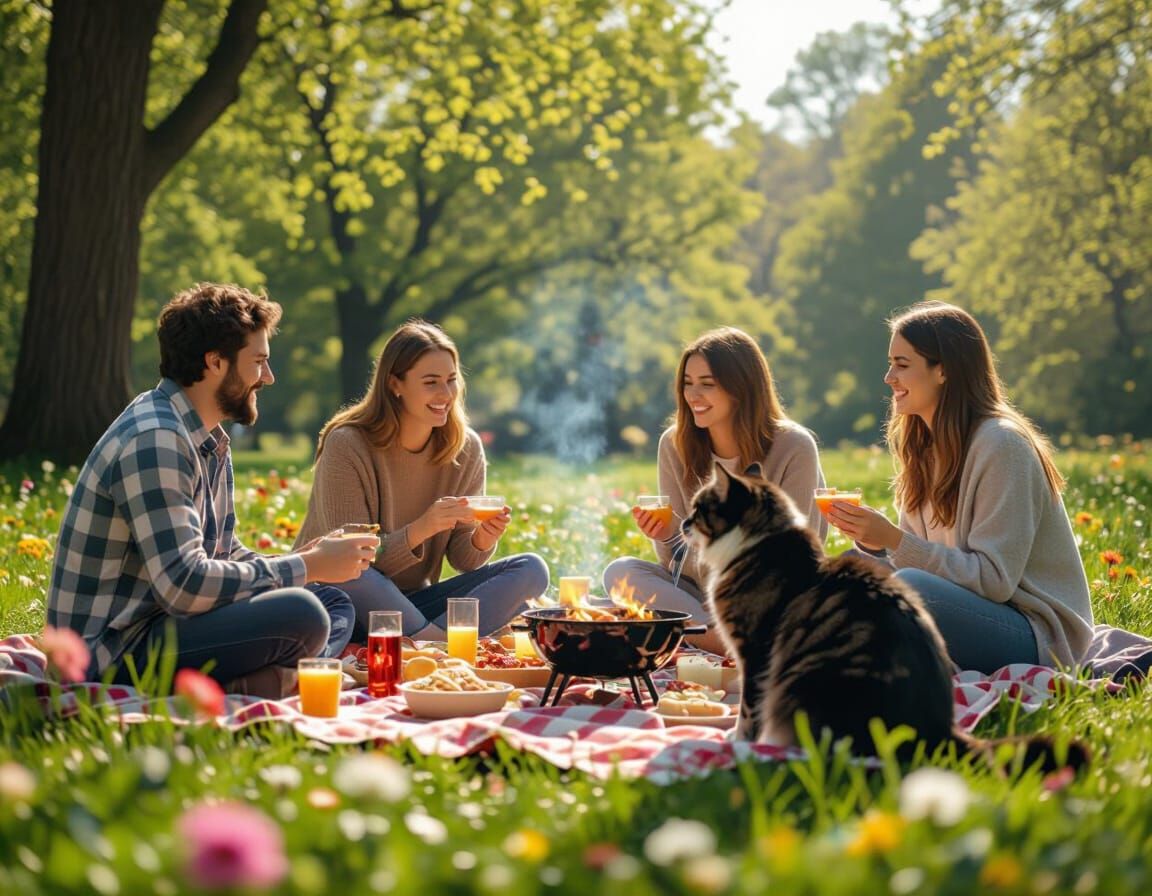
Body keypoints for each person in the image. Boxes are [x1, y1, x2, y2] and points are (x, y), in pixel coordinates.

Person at [47, 283, 376, 698]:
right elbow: (184, 586)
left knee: (331, 602)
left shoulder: (205, 436)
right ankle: (274, 681)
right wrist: (306, 566)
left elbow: (223, 553)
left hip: (168, 624)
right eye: (258, 362)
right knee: (304, 612)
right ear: (215, 362)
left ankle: (271, 679)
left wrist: (305, 563)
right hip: (114, 652)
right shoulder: (156, 439)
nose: (268, 377)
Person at [824, 301, 1093, 672]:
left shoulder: (1003, 445)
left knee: (911, 592)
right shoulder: (921, 445)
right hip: (967, 611)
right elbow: (927, 558)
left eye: (902, 365)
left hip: (1037, 636)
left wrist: (895, 540)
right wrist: (876, 544)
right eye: (891, 363)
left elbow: (994, 581)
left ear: (944, 371)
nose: (888, 377)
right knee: (846, 572)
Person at [294, 320, 548, 640]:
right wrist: (422, 529)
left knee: (531, 569)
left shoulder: (465, 448)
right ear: (395, 384)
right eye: (431, 382)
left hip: (413, 607)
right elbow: (347, 558)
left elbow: (464, 561)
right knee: (354, 570)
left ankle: (428, 640)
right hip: (341, 602)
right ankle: (440, 644)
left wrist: (483, 538)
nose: (445, 394)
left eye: (451, 380)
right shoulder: (348, 443)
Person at [603, 326, 827, 654]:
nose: (693, 396)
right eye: (688, 384)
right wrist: (668, 536)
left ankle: (684, 633)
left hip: (771, 600)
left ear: (742, 388)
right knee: (621, 572)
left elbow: (794, 559)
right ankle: (718, 639)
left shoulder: (793, 446)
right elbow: (676, 568)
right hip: (701, 600)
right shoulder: (675, 444)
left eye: (707, 385)